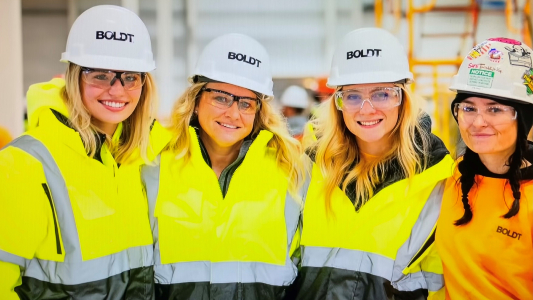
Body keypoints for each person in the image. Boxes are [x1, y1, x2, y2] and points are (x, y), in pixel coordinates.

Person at [0, 5, 169, 299]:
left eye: (130, 76)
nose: (117, 90)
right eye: (100, 75)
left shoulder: (144, 159)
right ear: (75, 76)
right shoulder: (24, 164)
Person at [286, 28, 454, 300]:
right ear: (338, 102)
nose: (366, 109)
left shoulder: (436, 178)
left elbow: (439, 281)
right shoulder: (310, 168)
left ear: (402, 99)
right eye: (352, 95)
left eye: (382, 94)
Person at [142, 33, 306, 299]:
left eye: (246, 103)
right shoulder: (154, 167)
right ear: (195, 100)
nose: (233, 113)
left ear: (258, 111)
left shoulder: (291, 170)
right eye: (220, 98)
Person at [436, 37, 533, 299]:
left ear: (523, 119)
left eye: (495, 110)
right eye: (468, 108)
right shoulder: (451, 176)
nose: (478, 122)